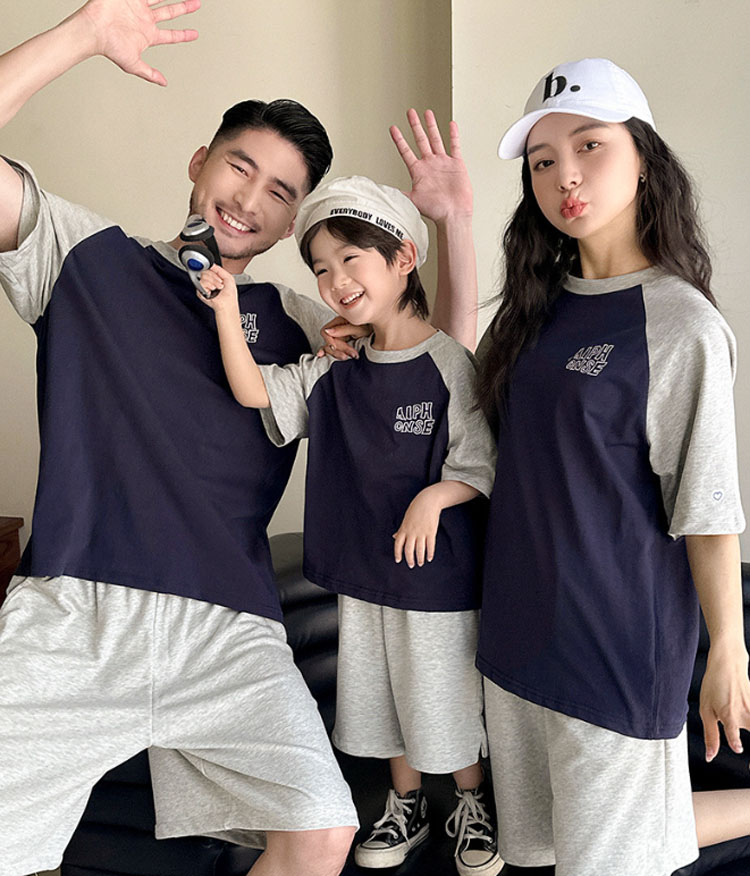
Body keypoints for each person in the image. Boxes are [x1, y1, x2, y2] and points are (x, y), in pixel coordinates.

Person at [0, 2, 476, 874]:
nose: (249, 200)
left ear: (293, 224)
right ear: (199, 162)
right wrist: (83, 34)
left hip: (231, 631)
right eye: (238, 167)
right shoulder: (85, 257)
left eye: (280, 193)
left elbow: (440, 371)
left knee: (322, 831)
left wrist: (454, 223)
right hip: (73, 611)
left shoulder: (302, 323)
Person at [474, 57, 750, 876]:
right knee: (556, 853)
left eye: (590, 146)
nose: (565, 176)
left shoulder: (682, 325)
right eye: (543, 161)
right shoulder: (533, 309)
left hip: (616, 651)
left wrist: (728, 651)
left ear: (643, 158)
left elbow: (707, 505)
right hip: (515, 644)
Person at [195, 174, 501, 876]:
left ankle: (473, 802)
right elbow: (254, 390)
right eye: (321, 268)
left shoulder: (450, 365)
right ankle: (405, 806)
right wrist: (226, 311)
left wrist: (433, 498)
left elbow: (480, 461)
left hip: (435, 582)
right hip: (362, 573)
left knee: (442, 700)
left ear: (403, 259)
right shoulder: (333, 366)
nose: (335, 282)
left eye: (351, 260)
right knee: (382, 699)